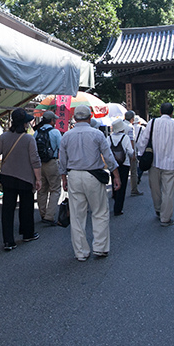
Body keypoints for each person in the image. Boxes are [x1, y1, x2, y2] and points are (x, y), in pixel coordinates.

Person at [59, 105, 121, 261]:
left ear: (74, 118)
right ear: (89, 117)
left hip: (73, 176)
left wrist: (64, 179)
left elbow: (62, 161)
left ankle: (81, 252)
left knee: (77, 215)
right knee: (99, 212)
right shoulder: (97, 134)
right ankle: (100, 248)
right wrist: (116, 176)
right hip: (93, 176)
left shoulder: (66, 136)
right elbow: (108, 157)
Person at [0, 107, 42, 251]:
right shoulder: (28, 138)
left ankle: (8, 241)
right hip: (25, 178)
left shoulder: (4, 137)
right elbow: (35, 160)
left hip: (7, 177)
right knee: (26, 207)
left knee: (7, 209)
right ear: (25, 123)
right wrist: (38, 178)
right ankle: (27, 234)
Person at [135, 102, 174, 227]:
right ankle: (166, 217)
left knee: (155, 188)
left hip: (154, 161)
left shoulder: (152, 123)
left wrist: (140, 154)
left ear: (160, 111)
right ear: (172, 112)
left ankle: (158, 209)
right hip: (171, 162)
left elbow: (144, 140)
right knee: (168, 191)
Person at [34, 111, 63, 225]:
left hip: (39, 164)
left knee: (41, 189)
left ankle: (42, 213)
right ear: (52, 121)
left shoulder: (36, 132)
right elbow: (61, 148)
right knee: (55, 189)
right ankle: (49, 216)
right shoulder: (55, 132)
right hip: (51, 163)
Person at [109, 118, 134, 216]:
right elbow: (130, 151)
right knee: (122, 185)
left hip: (113, 164)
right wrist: (132, 157)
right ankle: (118, 208)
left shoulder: (109, 137)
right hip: (124, 163)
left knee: (114, 180)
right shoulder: (125, 137)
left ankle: (115, 196)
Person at [124, 110, 143, 197]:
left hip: (120, 152)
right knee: (133, 172)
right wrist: (133, 153)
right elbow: (131, 140)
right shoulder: (130, 127)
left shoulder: (120, 125)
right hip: (129, 152)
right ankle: (134, 189)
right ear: (132, 119)